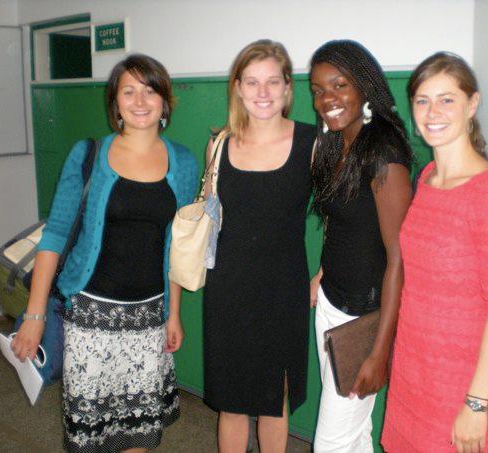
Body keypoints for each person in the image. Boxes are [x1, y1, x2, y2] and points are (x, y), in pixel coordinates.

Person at [11, 54, 198, 452]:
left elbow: (179, 247)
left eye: (150, 90)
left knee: (138, 432)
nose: (140, 100)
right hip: (89, 317)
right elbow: (55, 236)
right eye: (128, 91)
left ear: (165, 101)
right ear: (115, 103)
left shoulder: (182, 162)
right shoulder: (88, 154)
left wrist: (174, 313)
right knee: (91, 432)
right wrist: (35, 314)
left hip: (149, 318)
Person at [381, 52, 488, 453]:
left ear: (472, 104)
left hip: (458, 383)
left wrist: (476, 403)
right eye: (423, 100)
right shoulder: (426, 177)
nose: (433, 112)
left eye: (447, 99)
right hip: (412, 368)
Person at [199, 39, 315, 453]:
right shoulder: (220, 145)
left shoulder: (312, 143)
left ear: (287, 88)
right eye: (252, 82)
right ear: (238, 88)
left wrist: (320, 278)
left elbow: (344, 214)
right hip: (228, 290)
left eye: (272, 82)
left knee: (273, 403)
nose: (262, 93)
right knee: (230, 404)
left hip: (282, 293)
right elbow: (207, 214)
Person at [309, 40, 414, 452]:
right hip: (333, 303)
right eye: (318, 90)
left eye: (339, 85)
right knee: (353, 435)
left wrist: (380, 350)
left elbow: (400, 259)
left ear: (365, 87)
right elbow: (343, 223)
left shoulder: (383, 150)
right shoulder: (340, 141)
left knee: (331, 443)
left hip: (365, 319)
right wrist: (321, 273)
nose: (326, 99)